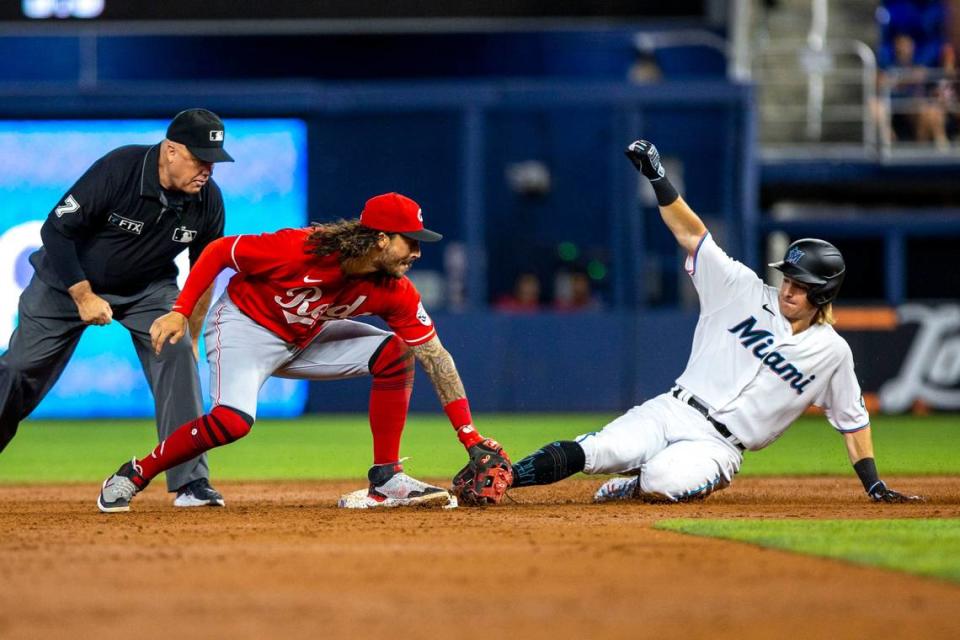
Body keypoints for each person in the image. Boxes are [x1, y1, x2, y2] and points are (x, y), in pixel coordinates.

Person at [507, 140, 922, 505]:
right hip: (672, 408)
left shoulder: (832, 353)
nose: (788, 290)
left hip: (721, 446)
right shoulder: (740, 288)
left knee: (660, 480)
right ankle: (504, 479)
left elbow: (853, 421)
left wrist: (874, 484)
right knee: (598, 451)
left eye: (801, 285)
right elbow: (693, 236)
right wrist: (658, 178)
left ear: (824, 294)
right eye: (787, 279)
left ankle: (634, 484)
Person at [96, 192, 512, 512]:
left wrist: (469, 436)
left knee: (397, 353)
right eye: (411, 243)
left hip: (305, 335)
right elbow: (219, 252)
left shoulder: (395, 290)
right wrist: (182, 312)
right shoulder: (300, 249)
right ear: (381, 239)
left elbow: (436, 358)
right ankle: (137, 472)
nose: (418, 253)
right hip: (245, 327)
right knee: (233, 422)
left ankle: (385, 478)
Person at [0, 108, 233, 508]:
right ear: (171, 151)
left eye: (213, 161)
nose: (207, 170)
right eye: (198, 158)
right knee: (19, 370)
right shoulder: (120, 169)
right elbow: (55, 229)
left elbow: (205, 270)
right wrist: (84, 295)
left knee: (177, 353)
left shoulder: (207, 201)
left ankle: (191, 483)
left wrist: (190, 333)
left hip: (148, 290)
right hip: (63, 285)